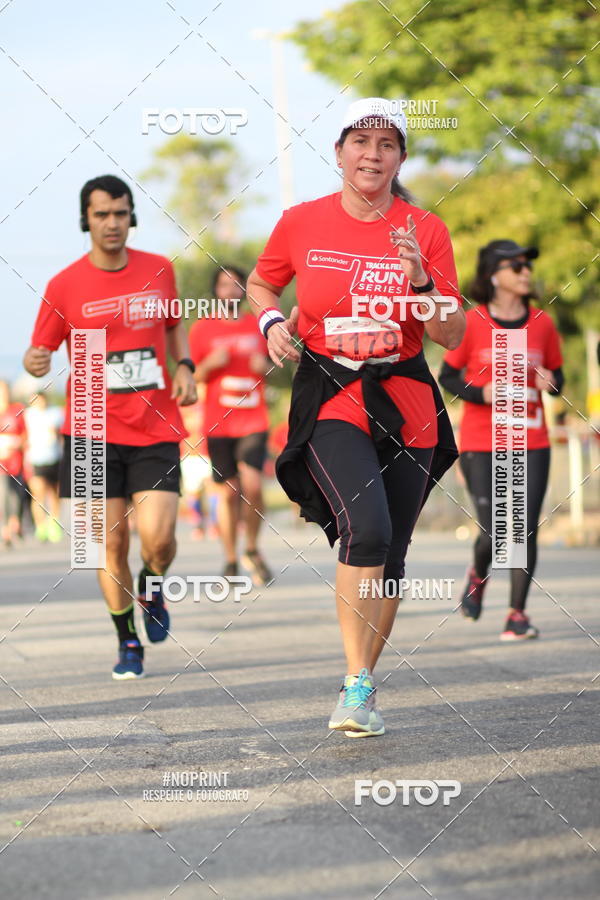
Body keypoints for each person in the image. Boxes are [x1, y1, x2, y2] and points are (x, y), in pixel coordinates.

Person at [246, 98, 465, 737]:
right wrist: (270, 322)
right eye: (360, 141)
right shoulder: (300, 222)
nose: (373, 154)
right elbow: (263, 285)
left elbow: (451, 333)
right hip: (333, 392)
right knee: (364, 528)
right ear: (339, 150)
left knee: (391, 549)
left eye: (387, 144)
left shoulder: (425, 228)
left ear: (401, 158)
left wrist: (421, 283)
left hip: (406, 397)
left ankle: (365, 684)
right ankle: (352, 679)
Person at [23, 174, 197, 679]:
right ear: (87, 220)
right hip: (89, 429)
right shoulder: (64, 285)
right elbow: (42, 352)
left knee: (157, 538)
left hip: (155, 425)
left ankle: (154, 582)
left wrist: (183, 367)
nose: (112, 223)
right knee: (105, 545)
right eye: (101, 215)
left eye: (120, 213)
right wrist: (36, 362)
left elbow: (172, 326)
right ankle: (127, 642)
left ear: (131, 216)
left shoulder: (159, 270)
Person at [439, 240, 564, 640]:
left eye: (527, 266)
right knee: (496, 528)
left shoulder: (542, 323)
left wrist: (552, 382)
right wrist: (482, 392)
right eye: (516, 266)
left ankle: (517, 614)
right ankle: (478, 574)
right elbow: (448, 376)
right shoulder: (473, 323)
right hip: (482, 439)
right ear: (493, 275)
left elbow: (556, 376)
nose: (525, 272)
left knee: (522, 528)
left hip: (532, 439)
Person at [189, 265, 273, 585]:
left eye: (237, 284)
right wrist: (209, 365)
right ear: (216, 291)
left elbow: (273, 364)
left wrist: (263, 366)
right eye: (224, 284)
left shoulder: (257, 326)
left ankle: (251, 547)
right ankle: (230, 557)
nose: (231, 290)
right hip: (219, 423)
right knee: (227, 493)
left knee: (252, 486)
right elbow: (193, 375)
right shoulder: (201, 330)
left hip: (253, 419)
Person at [24, 391, 63, 543]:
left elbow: (62, 435)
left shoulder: (55, 413)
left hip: (54, 459)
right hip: (36, 460)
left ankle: (54, 523)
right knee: (38, 493)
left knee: (54, 493)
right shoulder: (27, 415)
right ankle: (41, 526)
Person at [0, 380, 27, 547]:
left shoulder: (16, 410)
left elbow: (25, 435)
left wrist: (17, 442)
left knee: (16, 496)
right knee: (3, 496)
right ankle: (6, 531)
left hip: (16, 462)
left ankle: (15, 523)